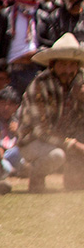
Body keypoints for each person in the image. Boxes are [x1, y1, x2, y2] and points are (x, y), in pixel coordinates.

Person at [17, 33, 84, 192]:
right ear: (53, 64)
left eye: (72, 65)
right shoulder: (40, 85)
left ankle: (75, 180)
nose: (68, 70)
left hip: (64, 135)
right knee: (57, 156)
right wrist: (74, 144)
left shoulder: (80, 80)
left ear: (77, 66)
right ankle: (36, 176)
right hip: (32, 140)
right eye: (63, 64)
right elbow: (41, 131)